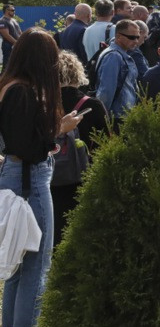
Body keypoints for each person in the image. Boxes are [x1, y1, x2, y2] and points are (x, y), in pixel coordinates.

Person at [0, 29, 83, 327]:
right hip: (29, 179)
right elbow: (29, 148)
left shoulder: (13, 85)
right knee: (36, 261)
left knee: (20, 260)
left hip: (21, 176)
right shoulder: (21, 91)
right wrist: (59, 130)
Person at [53, 51, 108, 248]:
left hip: (51, 176)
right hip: (84, 176)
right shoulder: (93, 105)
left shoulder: (42, 103)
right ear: (77, 73)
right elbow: (106, 143)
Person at [94, 20, 141, 124]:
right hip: (116, 117)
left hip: (122, 115)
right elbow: (106, 91)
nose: (136, 41)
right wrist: (103, 118)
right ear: (119, 36)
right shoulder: (113, 56)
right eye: (132, 37)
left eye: (138, 37)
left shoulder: (119, 54)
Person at [0, 4, 22, 70]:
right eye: (12, 10)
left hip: (16, 45)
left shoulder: (14, 21)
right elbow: (6, 35)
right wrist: (17, 43)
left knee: (17, 65)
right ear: (7, 11)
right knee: (7, 66)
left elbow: (20, 32)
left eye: (14, 10)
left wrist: (23, 41)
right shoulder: (2, 21)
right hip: (8, 45)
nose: (14, 11)